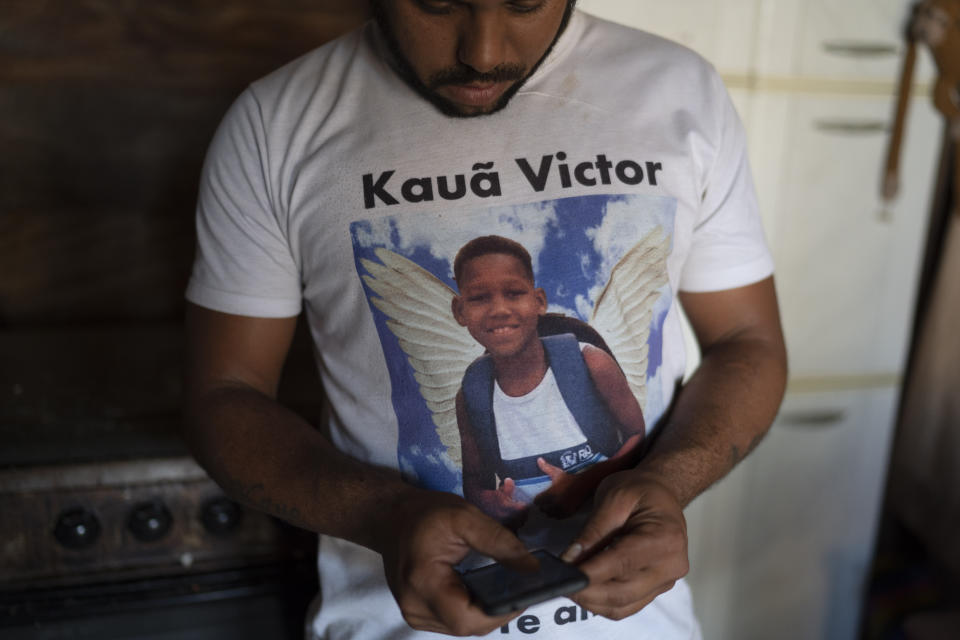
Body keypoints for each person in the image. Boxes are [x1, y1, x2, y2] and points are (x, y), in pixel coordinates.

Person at [182, 0, 788, 638]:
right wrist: (388, 515)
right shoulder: (276, 123)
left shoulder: (679, 90)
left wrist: (667, 481)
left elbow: (747, 342)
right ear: (458, 313)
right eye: (438, 3)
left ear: (539, 300)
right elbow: (225, 394)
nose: (485, 52)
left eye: (525, 2)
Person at [450, 235, 646, 526]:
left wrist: (588, 483)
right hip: (532, 550)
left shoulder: (589, 362)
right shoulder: (472, 395)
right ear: (459, 311)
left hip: (606, 531)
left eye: (514, 293)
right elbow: (475, 483)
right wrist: (488, 500)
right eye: (479, 298)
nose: (499, 309)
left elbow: (638, 437)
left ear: (538, 301)